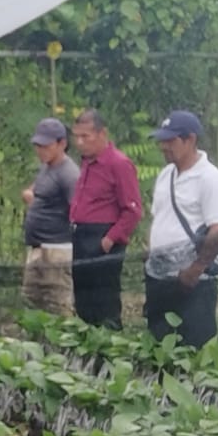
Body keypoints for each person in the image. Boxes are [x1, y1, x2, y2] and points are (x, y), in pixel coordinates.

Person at [144, 109, 218, 348]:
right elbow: (159, 217)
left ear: (190, 139)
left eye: (170, 141)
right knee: (158, 343)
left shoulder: (209, 178)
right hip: (160, 277)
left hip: (192, 282)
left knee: (193, 345)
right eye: (162, 141)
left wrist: (195, 269)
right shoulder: (166, 175)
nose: (164, 147)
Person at [68, 109, 143, 329]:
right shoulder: (86, 163)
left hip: (102, 238)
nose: (80, 143)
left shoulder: (118, 164)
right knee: (83, 300)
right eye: (77, 137)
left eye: (85, 136)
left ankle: (110, 345)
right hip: (80, 236)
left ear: (102, 134)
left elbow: (132, 210)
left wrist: (109, 239)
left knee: (104, 302)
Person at [21, 117, 79, 316]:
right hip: (37, 250)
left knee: (57, 307)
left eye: (46, 146)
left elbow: (77, 211)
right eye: (38, 145)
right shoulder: (46, 168)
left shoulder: (69, 174)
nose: (40, 150)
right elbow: (37, 191)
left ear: (61, 144)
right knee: (31, 304)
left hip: (57, 252)